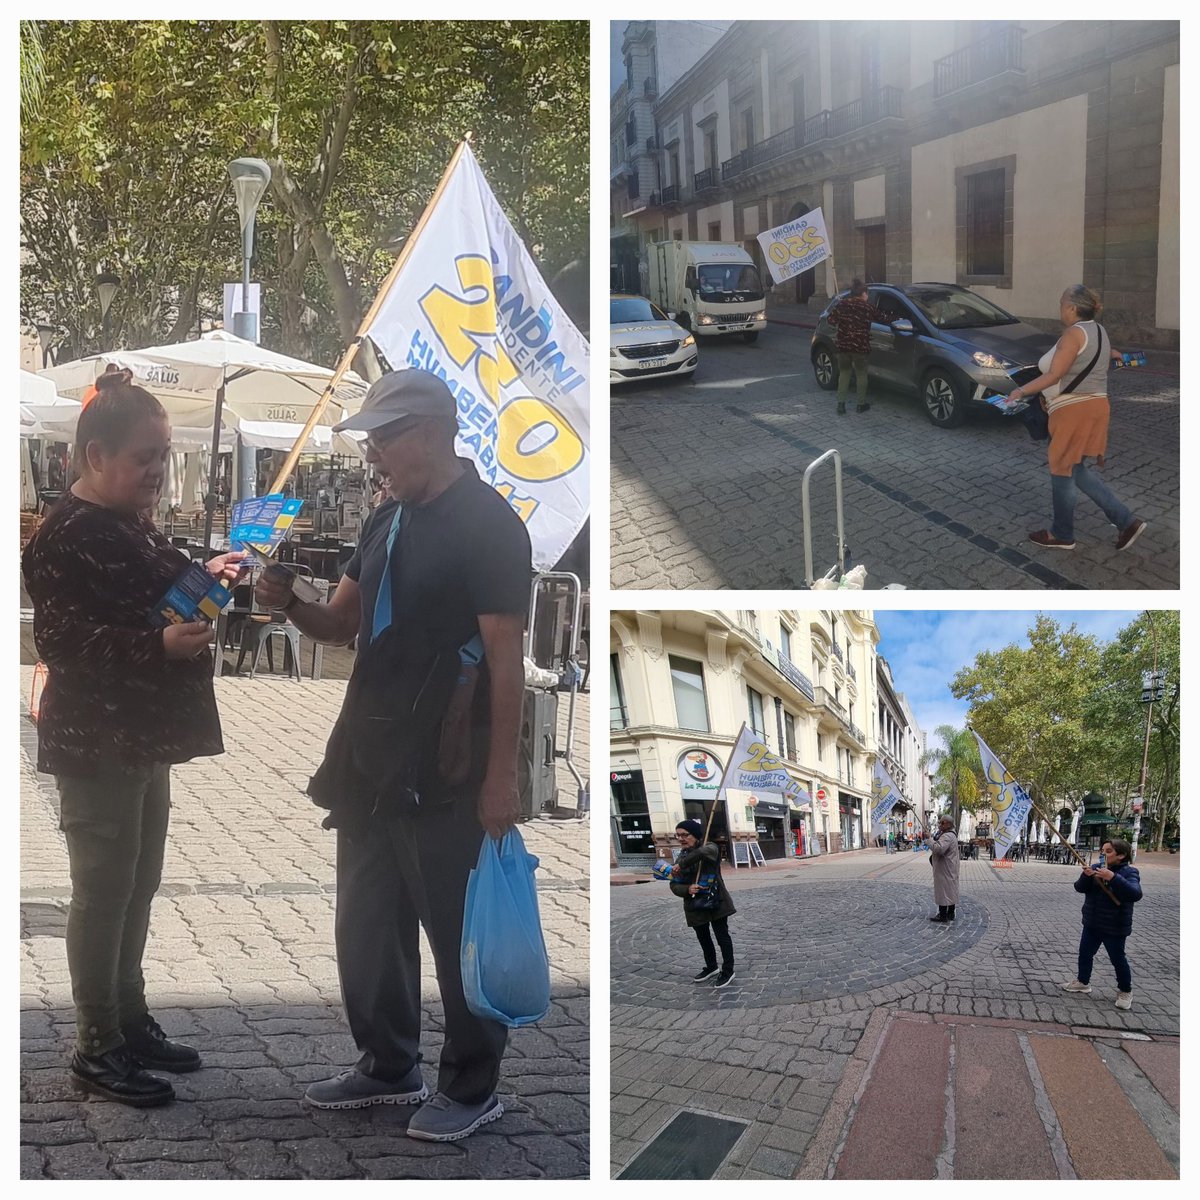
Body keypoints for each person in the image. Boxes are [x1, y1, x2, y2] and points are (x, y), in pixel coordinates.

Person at [253, 369, 532, 1142]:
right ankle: (387, 1065)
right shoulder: (384, 519)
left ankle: (473, 1086)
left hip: (449, 758)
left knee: (453, 931)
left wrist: (501, 778)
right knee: (367, 921)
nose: (373, 453)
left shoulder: (490, 524)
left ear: (433, 431)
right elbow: (342, 624)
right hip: (369, 748)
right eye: (371, 438)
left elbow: (506, 660)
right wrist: (289, 606)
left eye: (384, 437)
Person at [21, 369, 245, 1108]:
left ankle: (126, 1017)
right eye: (144, 457)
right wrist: (157, 649)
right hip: (99, 740)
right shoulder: (65, 534)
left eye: (163, 456)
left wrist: (207, 576)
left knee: (138, 885)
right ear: (94, 457)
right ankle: (96, 1045)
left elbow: (153, 593)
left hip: (143, 736)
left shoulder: (126, 521)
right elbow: (60, 639)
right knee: (102, 893)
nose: (156, 471)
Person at [1006, 284, 1146, 552]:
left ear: (1072, 307)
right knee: (1075, 469)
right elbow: (1112, 358)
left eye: (1061, 304)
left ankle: (1062, 534)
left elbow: (1054, 375)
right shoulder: (1099, 331)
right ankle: (1125, 521)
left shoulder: (1073, 334)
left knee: (1061, 469)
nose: (1059, 309)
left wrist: (1020, 391)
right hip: (1094, 407)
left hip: (1073, 411)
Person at [1062, 839, 1142, 1010]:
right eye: (1102, 850)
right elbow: (1079, 888)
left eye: (1109, 851)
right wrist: (1086, 875)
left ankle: (1125, 990)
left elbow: (1135, 894)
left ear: (1121, 855)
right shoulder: (1097, 868)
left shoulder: (1130, 872)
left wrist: (1112, 878)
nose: (1103, 854)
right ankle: (1083, 982)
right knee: (1085, 953)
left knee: (1117, 958)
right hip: (1092, 922)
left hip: (1115, 926)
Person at [669, 820, 737, 988]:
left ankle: (728, 971)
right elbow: (674, 884)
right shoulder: (681, 855)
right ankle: (711, 967)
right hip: (695, 904)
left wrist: (682, 864)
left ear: (696, 835)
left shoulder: (709, 848)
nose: (681, 839)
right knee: (704, 939)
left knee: (722, 937)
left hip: (716, 901)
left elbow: (702, 853)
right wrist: (687, 889)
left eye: (685, 835)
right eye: (678, 835)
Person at [826, 278, 888, 415]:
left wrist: (840, 314)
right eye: (867, 294)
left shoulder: (842, 304)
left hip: (843, 346)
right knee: (861, 374)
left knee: (844, 373)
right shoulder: (867, 307)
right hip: (860, 347)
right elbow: (882, 318)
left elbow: (830, 320)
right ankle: (860, 404)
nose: (868, 296)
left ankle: (841, 405)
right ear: (863, 293)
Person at [925, 818, 960, 922]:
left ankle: (943, 915)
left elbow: (939, 849)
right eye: (939, 822)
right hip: (948, 867)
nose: (939, 824)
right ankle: (950, 913)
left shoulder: (947, 836)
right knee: (950, 890)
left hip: (945, 868)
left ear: (948, 824)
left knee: (943, 890)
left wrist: (929, 839)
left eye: (942, 823)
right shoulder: (950, 835)